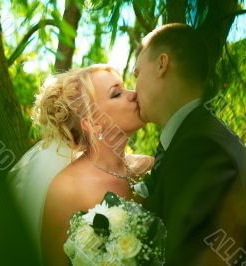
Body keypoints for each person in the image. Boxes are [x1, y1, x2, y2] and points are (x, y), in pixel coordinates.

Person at [135, 23, 246, 265]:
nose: (133, 89)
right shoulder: (195, 138)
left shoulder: (200, 147)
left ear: (162, 64)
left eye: (137, 73)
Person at [28, 64, 153, 265]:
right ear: (93, 124)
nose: (133, 94)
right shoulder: (65, 190)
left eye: (126, 87)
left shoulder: (148, 167)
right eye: (116, 94)